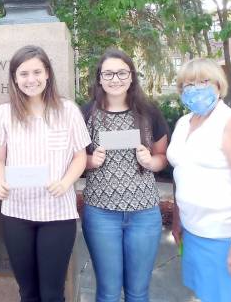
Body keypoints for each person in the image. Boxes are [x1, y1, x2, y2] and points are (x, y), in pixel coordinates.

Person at [0, 45, 90, 302]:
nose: (30, 79)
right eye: (23, 74)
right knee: (28, 292)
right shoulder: (4, 114)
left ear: (47, 74)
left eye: (37, 72)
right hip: (17, 214)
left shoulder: (67, 111)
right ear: (14, 78)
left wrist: (67, 182)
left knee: (52, 293)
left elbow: (80, 157)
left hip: (57, 214)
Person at [167, 58, 231, 302]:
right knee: (205, 295)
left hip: (229, 237)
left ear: (218, 85)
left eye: (204, 81)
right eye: (189, 83)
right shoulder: (184, 123)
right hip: (195, 233)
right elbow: (181, 172)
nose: (196, 88)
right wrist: (177, 219)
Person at [81, 48, 169, 302]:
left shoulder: (149, 112)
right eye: (108, 73)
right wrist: (89, 160)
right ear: (99, 78)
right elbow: (72, 157)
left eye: (122, 72)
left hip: (144, 213)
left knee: (138, 292)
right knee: (108, 292)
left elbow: (162, 156)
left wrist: (151, 161)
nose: (115, 79)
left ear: (131, 77)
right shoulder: (86, 114)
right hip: (101, 213)